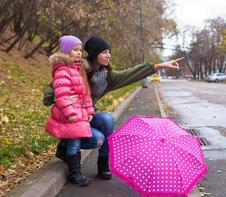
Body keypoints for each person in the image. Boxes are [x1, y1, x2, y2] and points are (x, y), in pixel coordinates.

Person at [43, 36, 182, 181]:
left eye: (109, 52)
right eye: (104, 52)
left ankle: (103, 164)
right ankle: (66, 145)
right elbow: (54, 86)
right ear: (95, 53)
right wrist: (57, 97)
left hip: (87, 115)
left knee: (107, 119)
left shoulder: (108, 76)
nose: (108, 55)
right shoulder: (79, 69)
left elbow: (131, 74)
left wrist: (159, 66)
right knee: (98, 138)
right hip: (71, 117)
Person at [44, 35, 105, 186]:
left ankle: (74, 170)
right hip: (70, 114)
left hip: (80, 113)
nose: (79, 53)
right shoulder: (62, 71)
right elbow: (62, 95)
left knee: (75, 142)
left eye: (80, 50)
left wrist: (90, 111)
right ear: (66, 52)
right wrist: (70, 113)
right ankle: (75, 173)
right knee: (74, 143)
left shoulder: (79, 70)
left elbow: (85, 94)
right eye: (75, 49)